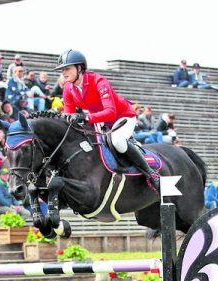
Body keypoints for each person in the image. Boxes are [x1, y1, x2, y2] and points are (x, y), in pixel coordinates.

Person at [56, 49, 159, 190]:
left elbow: (110, 112)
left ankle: (150, 173)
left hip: (122, 116)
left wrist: (85, 117)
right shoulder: (68, 88)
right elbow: (69, 116)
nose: (63, 73)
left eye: (67, 68)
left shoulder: (99, 81)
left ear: (79, 68)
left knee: (117, 141)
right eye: (62, 70)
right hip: (100, 121)